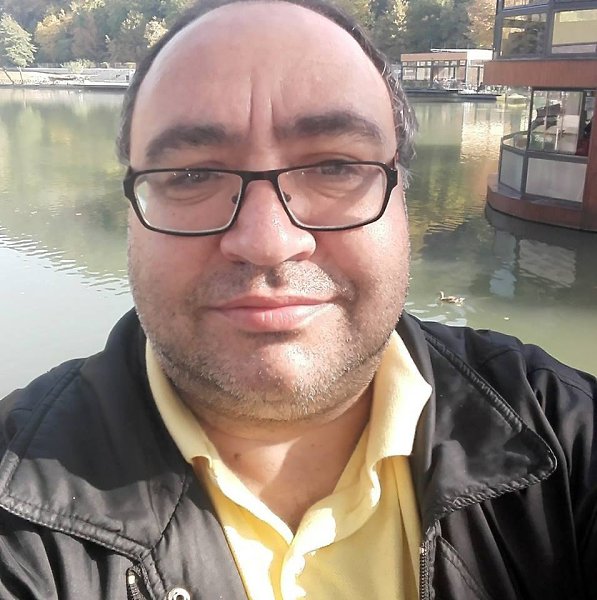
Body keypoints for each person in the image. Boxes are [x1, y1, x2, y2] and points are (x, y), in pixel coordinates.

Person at [1, 1, 596, 598]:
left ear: (403, 198)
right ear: (131, 209)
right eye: (191, 175)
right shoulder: (16, 507)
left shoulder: (565, 438)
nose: (268, 243)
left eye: (335, 166)